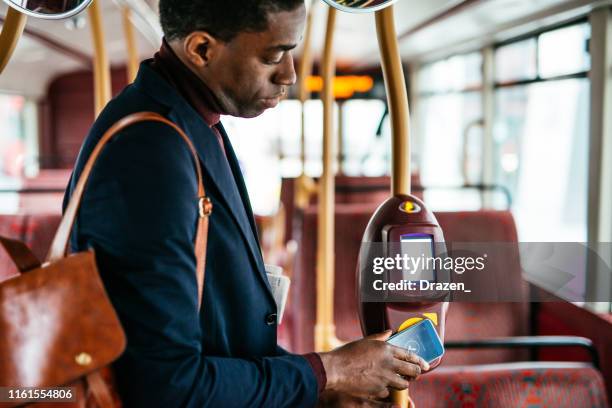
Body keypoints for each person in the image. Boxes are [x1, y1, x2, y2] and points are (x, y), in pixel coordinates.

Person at [63, 1, 429, 407]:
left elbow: (224, 341)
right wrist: (331, 371)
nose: (290, 73)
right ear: (202, 49)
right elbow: (167, 385)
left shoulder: (193, 125)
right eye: (273, 55)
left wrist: (326, 388)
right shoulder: (150, 152)